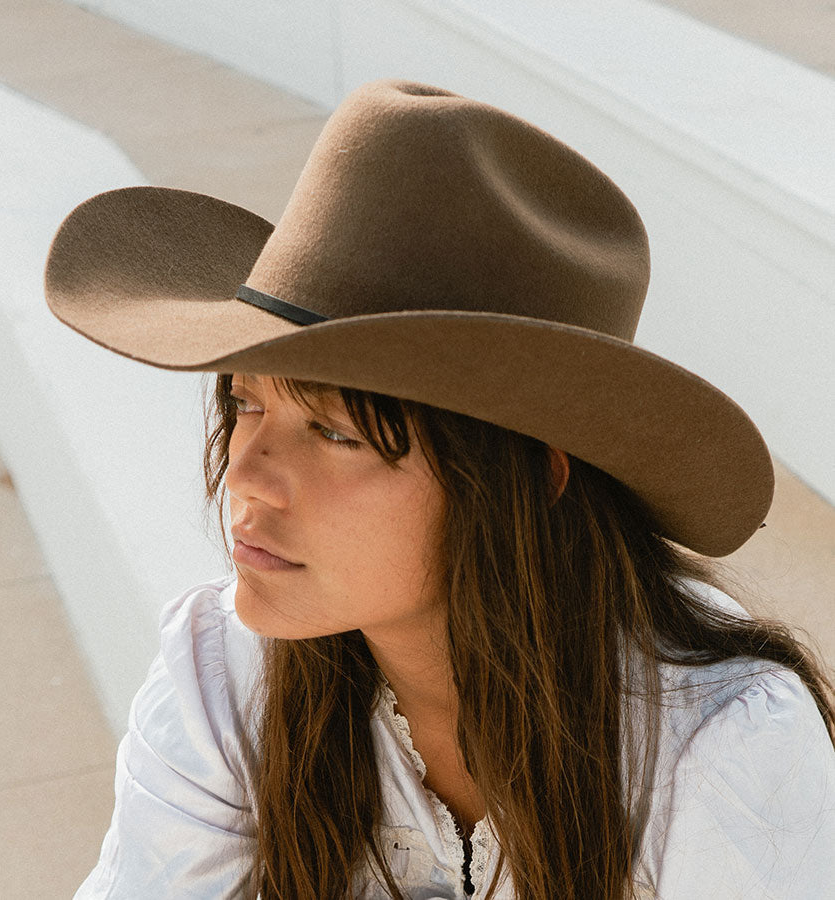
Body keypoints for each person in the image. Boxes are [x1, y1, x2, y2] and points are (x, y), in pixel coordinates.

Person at [45, 80, 835, 899]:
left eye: (336, 433)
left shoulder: (716, 748)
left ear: (529, 481)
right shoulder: (224, 674)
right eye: (246, 403)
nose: (244, 474)